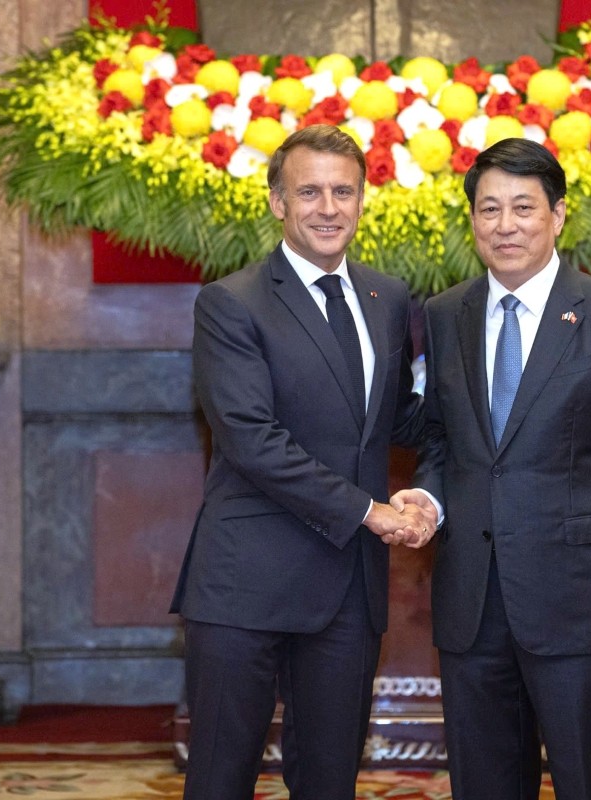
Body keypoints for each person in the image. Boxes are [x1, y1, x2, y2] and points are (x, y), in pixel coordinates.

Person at [397, 138, 591, 799]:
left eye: (523, 207)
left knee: (590, 780)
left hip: (580, 599)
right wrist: (429, 500)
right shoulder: (444, 314)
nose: (506, 225)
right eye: (489, 209)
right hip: (472, 599)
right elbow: (441, 443)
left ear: (558, 214)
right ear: (473, 220)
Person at [169, 124, 436, 800]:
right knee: (221, 778)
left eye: (342, 192)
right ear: (277, 202)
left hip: (349, 589)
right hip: (247, 584)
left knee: (329, 782)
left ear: (362, 200)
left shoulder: (387, 298)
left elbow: (397, 418)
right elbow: (251, 440)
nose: (327, 207)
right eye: (309, 192)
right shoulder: (231, 302)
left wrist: (489, 412)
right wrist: (370, 512)